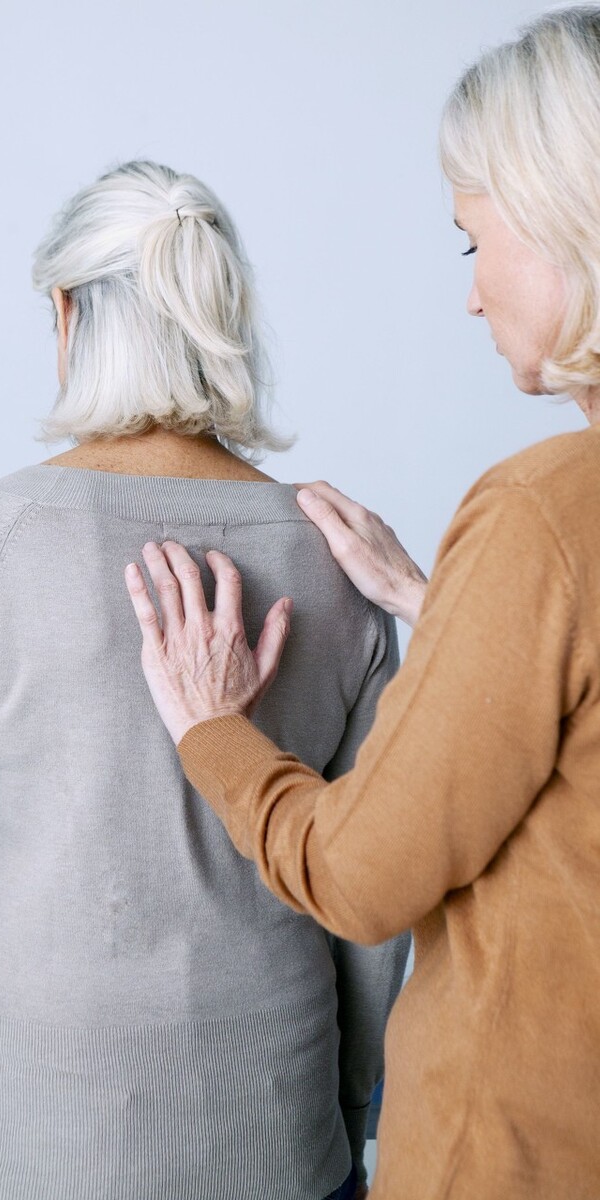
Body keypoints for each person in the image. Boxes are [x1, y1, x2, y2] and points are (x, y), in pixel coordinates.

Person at [0, 159, 410, 1200]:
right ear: (225, 316)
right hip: (280, 1126)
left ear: (67, 315)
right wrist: (344, 1114)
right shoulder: (342, 556)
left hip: (31, 1145)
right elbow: (369, 895)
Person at [124, 9, 600, 1200]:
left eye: (471, 241)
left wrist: (212, 732)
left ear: (563, 221)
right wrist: (451, 613)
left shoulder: (541, 512)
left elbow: (361, 878)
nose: (471, 296)